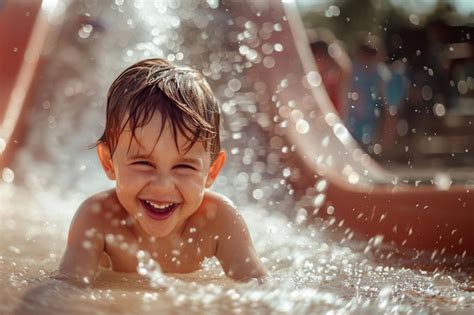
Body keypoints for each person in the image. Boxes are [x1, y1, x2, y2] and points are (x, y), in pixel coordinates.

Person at [58, 58, 268, 284]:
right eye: (143, 163)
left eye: (184, 166)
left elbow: (261, 291)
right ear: (109, 162)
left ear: (212, 172)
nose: (162, 185)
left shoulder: (219, 220)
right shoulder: (97, 218)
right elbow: (68, 289)